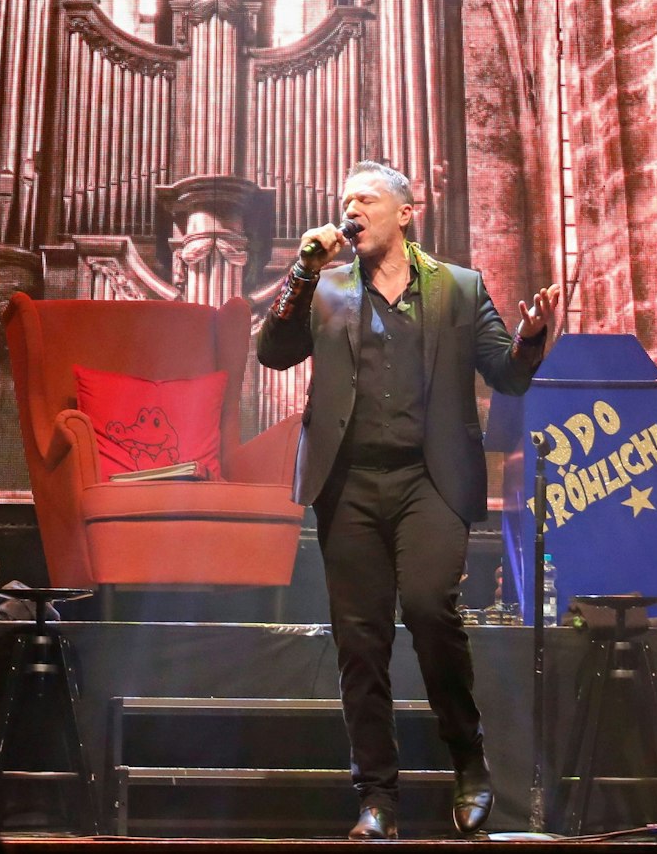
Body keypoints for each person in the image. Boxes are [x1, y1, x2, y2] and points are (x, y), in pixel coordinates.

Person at [257, 160, 557, 839]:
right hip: (349, 483)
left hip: (430, 479)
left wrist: (531, 336)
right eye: (343, 201)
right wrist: (302, 270)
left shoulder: (457, 288)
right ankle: (376, 797)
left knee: (428, 610)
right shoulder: (327, 286)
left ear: (404, 210)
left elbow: (506, 378)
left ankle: (467, 758)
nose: (350, 209)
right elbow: (272, 352)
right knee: (359, 641)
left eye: (363, 198)